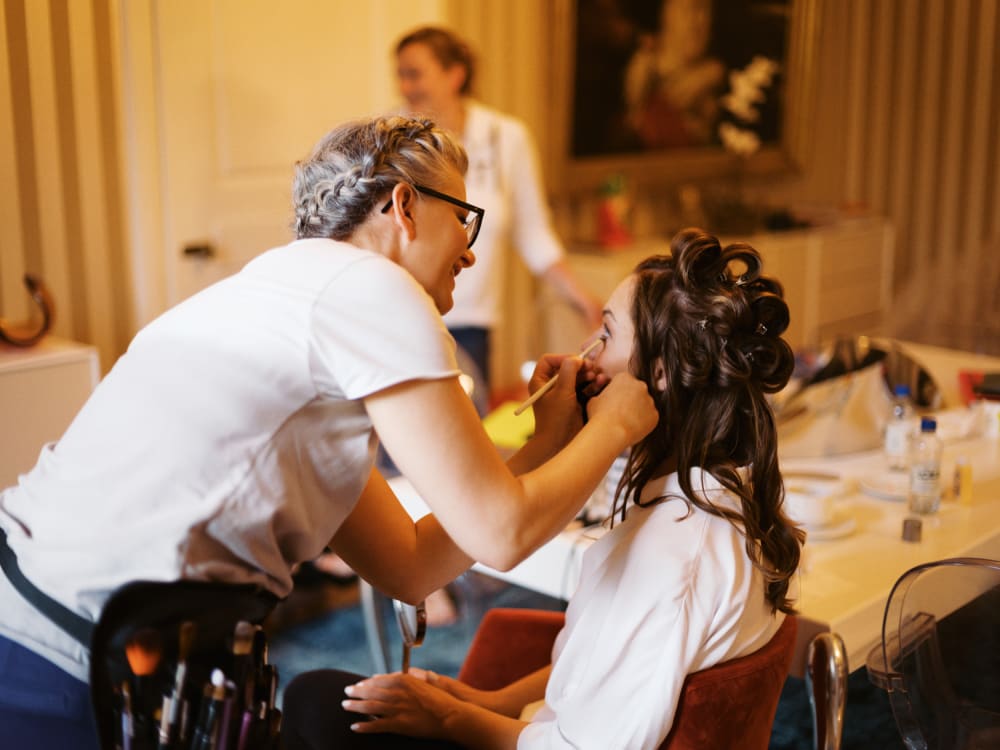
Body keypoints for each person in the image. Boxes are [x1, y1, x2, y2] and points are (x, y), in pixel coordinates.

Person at [0, 115, 657, 748]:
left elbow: (410, 564)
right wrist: (617, 425)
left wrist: (547, 442)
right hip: (83, 651)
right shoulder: (379, 290)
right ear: (404, 206)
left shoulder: (274, 287)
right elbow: (500, 535)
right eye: (463, 217)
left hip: (33, 613)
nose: (471, 246)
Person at [281, 228, 805, 749]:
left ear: (661, 374)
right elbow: (591, 666)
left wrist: (446, 718)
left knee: (313, 700)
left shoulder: (677, 553)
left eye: (606, 334)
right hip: (544, 725)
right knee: (321, 700)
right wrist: (485, 701)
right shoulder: (711, 492)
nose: (586, 352)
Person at [395, 26, 603, 388]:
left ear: (454, 75)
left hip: (473, 324)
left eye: (414, 74)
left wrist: (583, 299)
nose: (405, 87)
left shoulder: (506, 138)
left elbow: (533, 231)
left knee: (468, 431)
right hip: (402, 316)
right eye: (400, 75)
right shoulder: (393, 136)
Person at [624, 0, 726, 149]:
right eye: (688, 10)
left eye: (706, 11)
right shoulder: (645, 68)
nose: (699, 21)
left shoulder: (714, 71)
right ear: (666, 15)